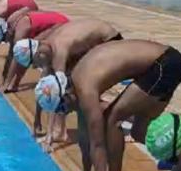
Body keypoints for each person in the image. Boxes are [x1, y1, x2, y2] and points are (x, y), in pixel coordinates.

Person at [70, 39, 181, 171]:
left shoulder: (85, 89)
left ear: (66, 94)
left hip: (163, 65)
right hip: (169, 62)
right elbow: (85, 135)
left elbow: (97, 143)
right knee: (139, 132)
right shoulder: (75, 79)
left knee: (112, 118)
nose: (69, 111)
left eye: (65, 108)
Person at [28, 18, 123, 156]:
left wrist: (48, 139)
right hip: (97, 42)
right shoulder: (47, 43)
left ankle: (121, 115)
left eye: (36, 63)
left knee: (82, 90)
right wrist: (36, 119)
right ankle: (59, 131)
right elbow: (45, 83)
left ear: (38, 54)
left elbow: (57, 91)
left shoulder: (59, 50)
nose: (37, 66)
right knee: (68, 83)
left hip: (110, 42)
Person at [0, 10, 69, 93]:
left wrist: (6, 84)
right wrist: (6, 80)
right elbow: (20, 57)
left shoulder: (19, 33)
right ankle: (15, 84)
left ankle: (52, 87)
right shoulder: (12, 25)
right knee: (28, 52)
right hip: (53, 21)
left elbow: (17, 58)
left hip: (61, 24)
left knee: (45, 56)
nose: (5, 41)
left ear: (6, 32)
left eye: (3, 39)